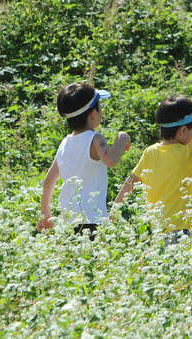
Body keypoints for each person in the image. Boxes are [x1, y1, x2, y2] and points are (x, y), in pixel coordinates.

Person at [38, 84, 131, 236]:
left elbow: (48, 181)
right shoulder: (95, 138)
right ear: (93, 115)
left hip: (67, 221)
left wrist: (45, 214)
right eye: (100, 107)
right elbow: (111, 159)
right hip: (92, 220)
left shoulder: (64, 143)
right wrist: (122, 137)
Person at [114, 96, 192, 236]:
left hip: (159, 229)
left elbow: (131, 181)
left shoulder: (150, 152)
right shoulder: (189, 152)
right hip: (186, 227)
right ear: (183, 130)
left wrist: (116, 208)